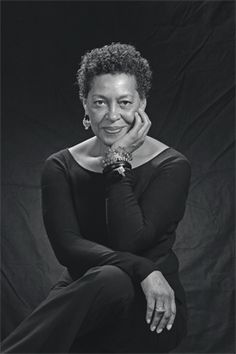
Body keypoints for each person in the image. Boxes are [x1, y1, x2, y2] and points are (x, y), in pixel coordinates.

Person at [1, 43, 191, 353]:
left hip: (151, 305)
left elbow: (131, 240)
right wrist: (144, 269)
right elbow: (68, 247)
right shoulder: (60, 165)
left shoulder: (171, 165)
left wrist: (116, 160)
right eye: (101, 102)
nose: (113, 116)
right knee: (107, 279)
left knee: (113, 278)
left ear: (142, 103)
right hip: (85, 296)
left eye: (125, 102)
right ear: (85, 105)